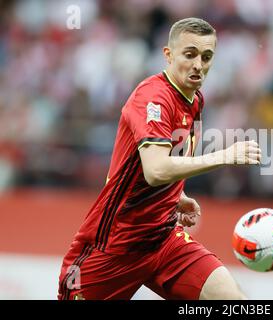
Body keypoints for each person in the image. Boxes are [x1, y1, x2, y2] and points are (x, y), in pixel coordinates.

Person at [57, 17, 261, 300]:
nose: (198, 65)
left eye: (206, 57)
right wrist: (226, 155)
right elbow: (156, 170)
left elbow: (157, 162)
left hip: (164, 240)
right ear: (168, 54)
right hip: (115, 245)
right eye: (189, 55)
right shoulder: (153, 98)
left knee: (234, 302)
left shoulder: (194, 99)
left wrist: (178, 194)